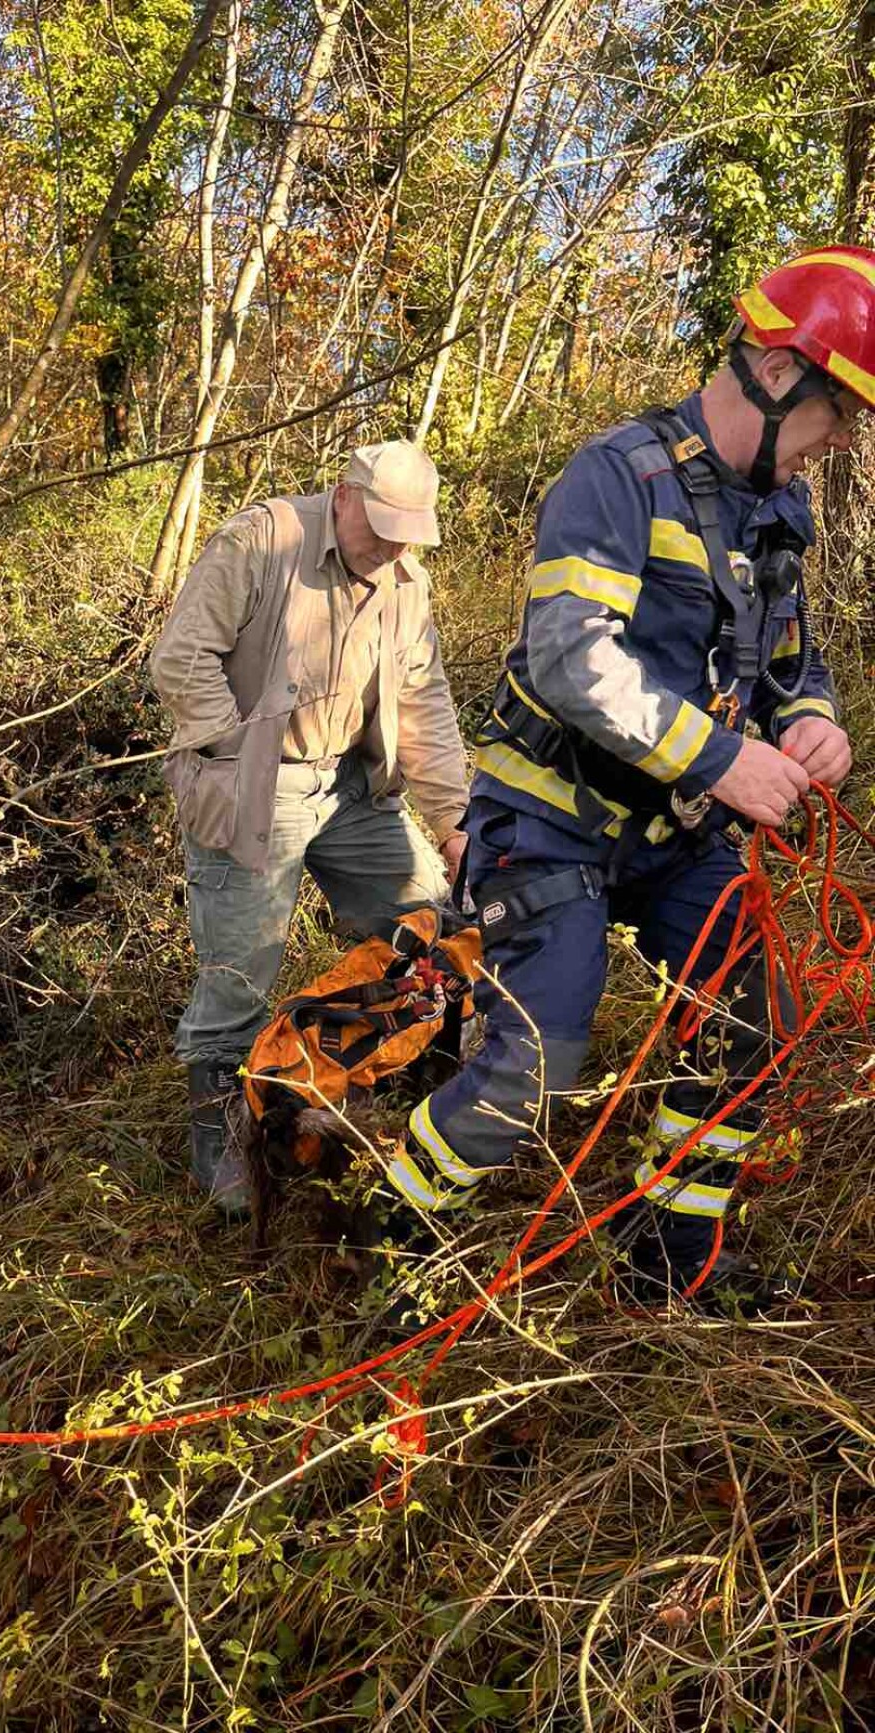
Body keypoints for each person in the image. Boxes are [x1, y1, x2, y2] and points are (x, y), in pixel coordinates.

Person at [387, 249, 871, 1308]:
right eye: (835, 417)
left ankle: (670, 1263)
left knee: (753, 1013)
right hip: (548, 822)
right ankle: (402, 1230)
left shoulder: (775, 513)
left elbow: (790, 664)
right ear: (780, 373)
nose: (835, 447)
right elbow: (569, 657)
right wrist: (722, 757)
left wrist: (812, 723)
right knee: (536, 1068)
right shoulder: (618, 475)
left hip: (674, 836)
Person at [151, 441, 470, 1215]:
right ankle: (225, 1142)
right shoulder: (264, 540)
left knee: (431, 922)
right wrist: (236, 756)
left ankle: (392, 1073)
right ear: (345, 495)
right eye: (385, 527)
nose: (393, 547)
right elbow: (180, 656)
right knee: (239, 978)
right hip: (262, 782)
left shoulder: (406, 585)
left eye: (409, 535)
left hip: (355, 788)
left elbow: (423, 706)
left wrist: (457, 820)